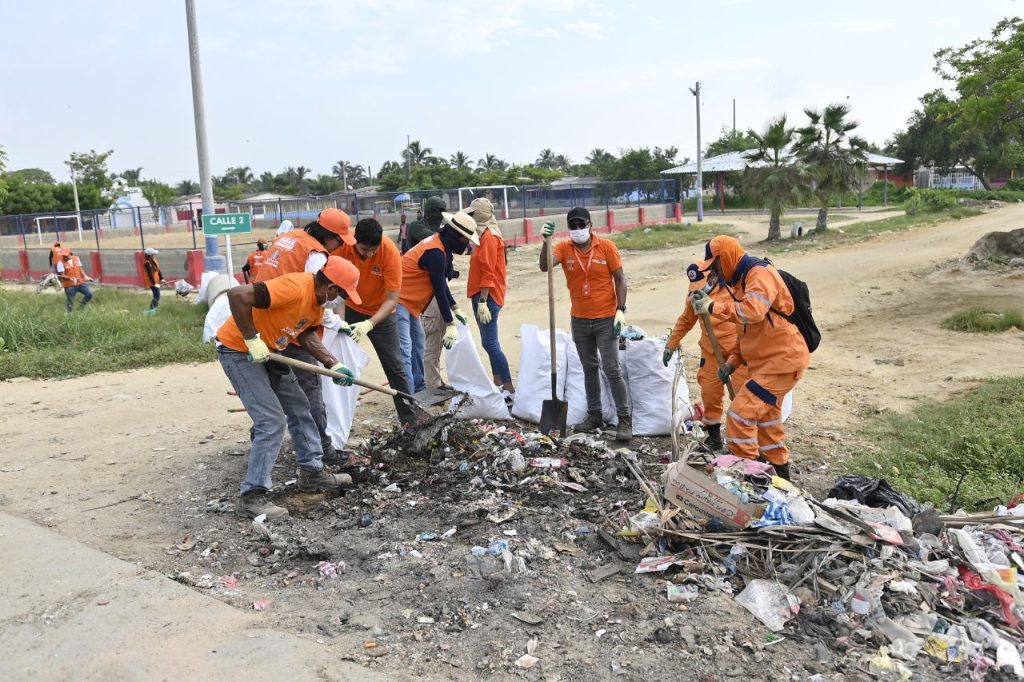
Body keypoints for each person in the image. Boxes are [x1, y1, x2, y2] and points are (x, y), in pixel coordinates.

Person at [215, 257, 362, 519]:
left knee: (300, 408)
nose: (339, 299)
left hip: (271, 352)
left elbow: (304, 333)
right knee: (270, 420)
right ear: (329, 285)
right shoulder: (294, 287)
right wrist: (252, 339)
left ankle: (312, 473)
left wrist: (333, 363)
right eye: (339, 292)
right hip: (239, 351)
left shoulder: (315, 304)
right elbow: (237, 294)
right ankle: (252, 496)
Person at [689, 235, 809, 481]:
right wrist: (732, 363)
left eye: (716, 265)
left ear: (727, 258)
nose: (716, 272)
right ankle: (781, 477)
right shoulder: (740, 283)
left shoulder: (759, 275)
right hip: (769, 364)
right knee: (767, 421)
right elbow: (747, 335)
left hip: (782, 362)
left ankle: (752, 478)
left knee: (739, 415)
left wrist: (713, 307)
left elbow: (752, 313)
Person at [253, 208, 357, 464]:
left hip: (266, 322)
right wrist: (334, 322)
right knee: (309, 390)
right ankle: (323, 451)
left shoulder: (290, 237)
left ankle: (261, 443)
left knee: (274, 391)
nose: (339, 246)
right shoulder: (315, 255)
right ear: (329, 235)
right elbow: (319, 292)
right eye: (339, 241)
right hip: (288, 324)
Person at [539, 207, 631, 442]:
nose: (578, 230)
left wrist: (621, 310)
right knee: (589, 368)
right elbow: (545, 266)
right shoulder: (563, 247)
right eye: (573, 226)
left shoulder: (606, 247)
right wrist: (546, 242)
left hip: (606, 319)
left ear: (590, 225)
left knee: (611, 369)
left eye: (582, 225)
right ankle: (594, 416)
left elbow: (620, 278)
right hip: (579, 320)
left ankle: (624, 419)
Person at [334, 217, 418, 428]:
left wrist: (370, 323)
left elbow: (392, 300)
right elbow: (337, 291)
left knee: (395, 366)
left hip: (381, 313)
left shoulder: (389, 252)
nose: (370, 254)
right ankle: (336, 418)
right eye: (365, 249)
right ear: (355, 241)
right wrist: (340, 323)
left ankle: (410, 421)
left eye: (374, 249)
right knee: (336, 361)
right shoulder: (343, 248)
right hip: (350, 307)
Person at [663, 262, 749, 452]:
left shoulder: (732, 287)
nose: (698, 290)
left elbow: (745, 313)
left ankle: (746, 441)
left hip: (737, 350)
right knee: (710, 392)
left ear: (711, 276)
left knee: (743, 394)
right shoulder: (694, 296)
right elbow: (686, 320)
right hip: (711, 351)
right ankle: (714, 437)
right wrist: (671, 344)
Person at [398, 210, 476, 390]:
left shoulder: (441, 246)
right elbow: (438, 290)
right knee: (405, 351)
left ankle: (419, 387)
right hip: (397, 300)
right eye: (465, 239)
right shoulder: (435, 252)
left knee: (418, 345)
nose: (466, 244)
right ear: (456, 235)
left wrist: (455, 308)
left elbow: (441, 284)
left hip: (411, 303)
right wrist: (449, 323)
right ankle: (408, 398)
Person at [465, 198, 514, 400]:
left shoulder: (489, 238)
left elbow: (489, 272)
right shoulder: (484, 235)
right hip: (483, 294)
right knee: (488, 343)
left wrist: (483, 300)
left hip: (488, 296)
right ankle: (499, 384)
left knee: (491, 343)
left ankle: (509, 388)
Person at [142, 247, 165, 315]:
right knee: (157, 296)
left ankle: (153, 310)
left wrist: (162, 279)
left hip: (156, 281)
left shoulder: (153, 260)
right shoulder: (147, 263)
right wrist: (155, 284)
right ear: (149, 255)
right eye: (153, 254)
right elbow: (150, 275)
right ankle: (152, 310)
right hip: (152, 282)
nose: (154, 255)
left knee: (157, 296)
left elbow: (158, 270)